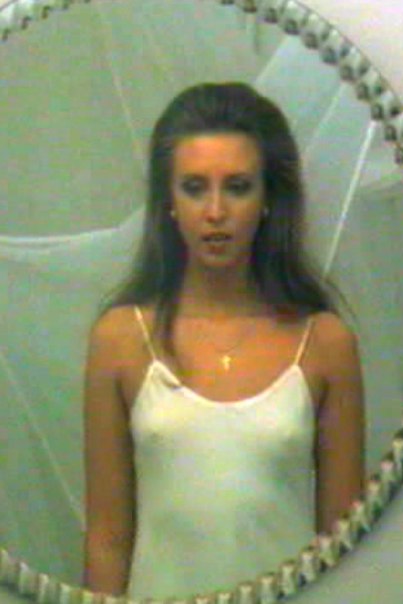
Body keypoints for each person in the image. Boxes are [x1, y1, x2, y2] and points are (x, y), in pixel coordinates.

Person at [83, 82, 365, 600]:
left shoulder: (325, 344)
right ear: (168, 202)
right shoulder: (120, 340)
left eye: (237, 187)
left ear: (267, 199)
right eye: (194, 188)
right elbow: (107, 540)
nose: (215, 211)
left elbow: (344, 549)